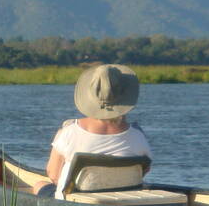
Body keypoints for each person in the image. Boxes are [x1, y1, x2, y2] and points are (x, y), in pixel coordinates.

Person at [33, 64, 152, 199]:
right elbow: (144, 171)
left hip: (73, 202)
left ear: (90, 96)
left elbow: (53, 175)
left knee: (39, 185)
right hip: (123, 200)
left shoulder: (69, 132)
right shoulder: (138, 135)